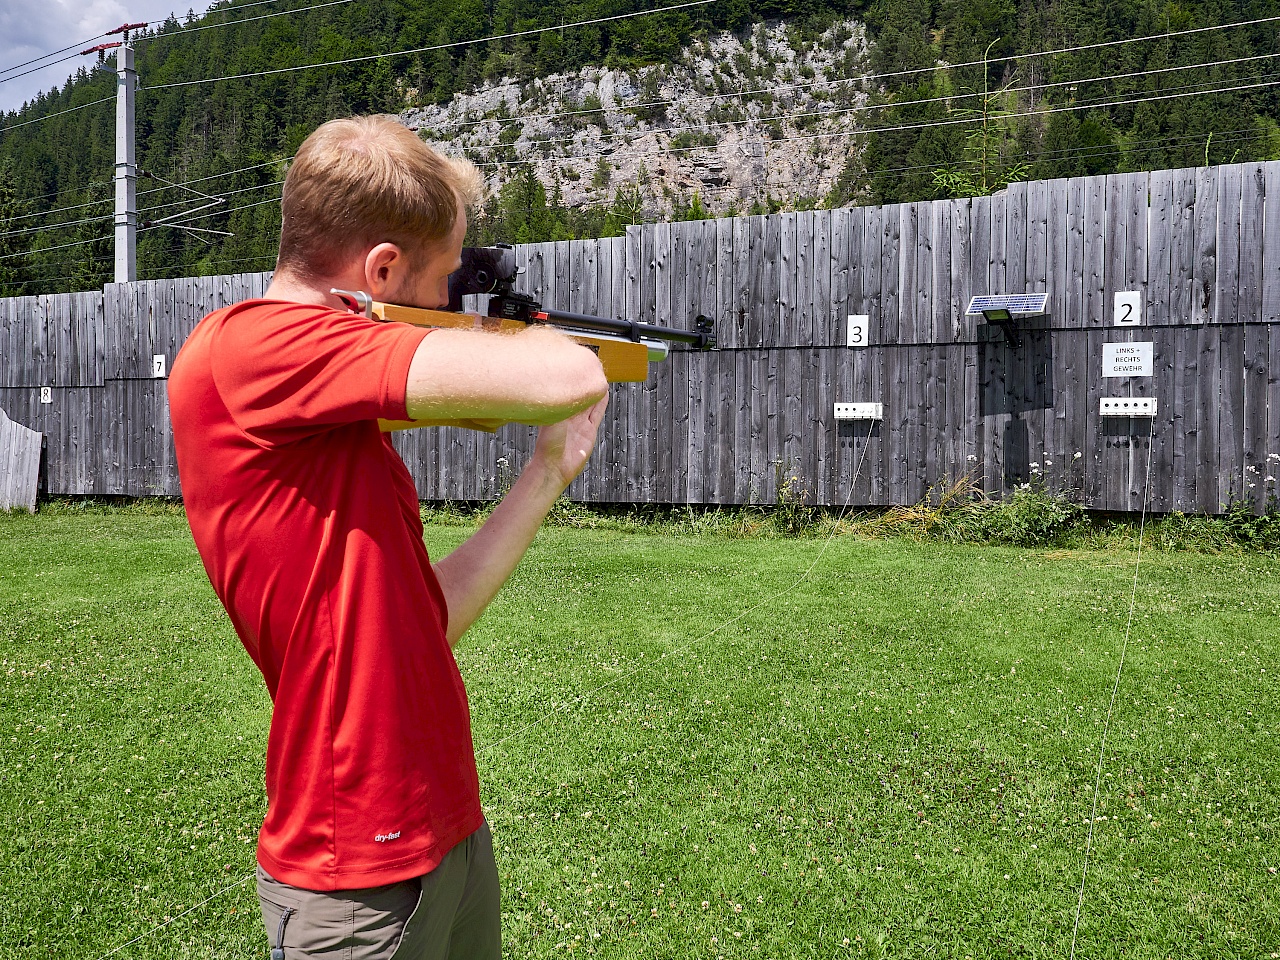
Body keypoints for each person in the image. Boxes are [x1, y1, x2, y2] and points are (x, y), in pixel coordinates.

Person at [168, 115, 609, 959]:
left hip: (441, 826)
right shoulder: (251, 345)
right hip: (354, 872)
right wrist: (533, 342)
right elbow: (570, 371)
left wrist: (548, 473)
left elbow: (422, 622)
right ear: (382, 271)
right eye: (444, 279)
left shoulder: (335, 430)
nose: (448, 304)